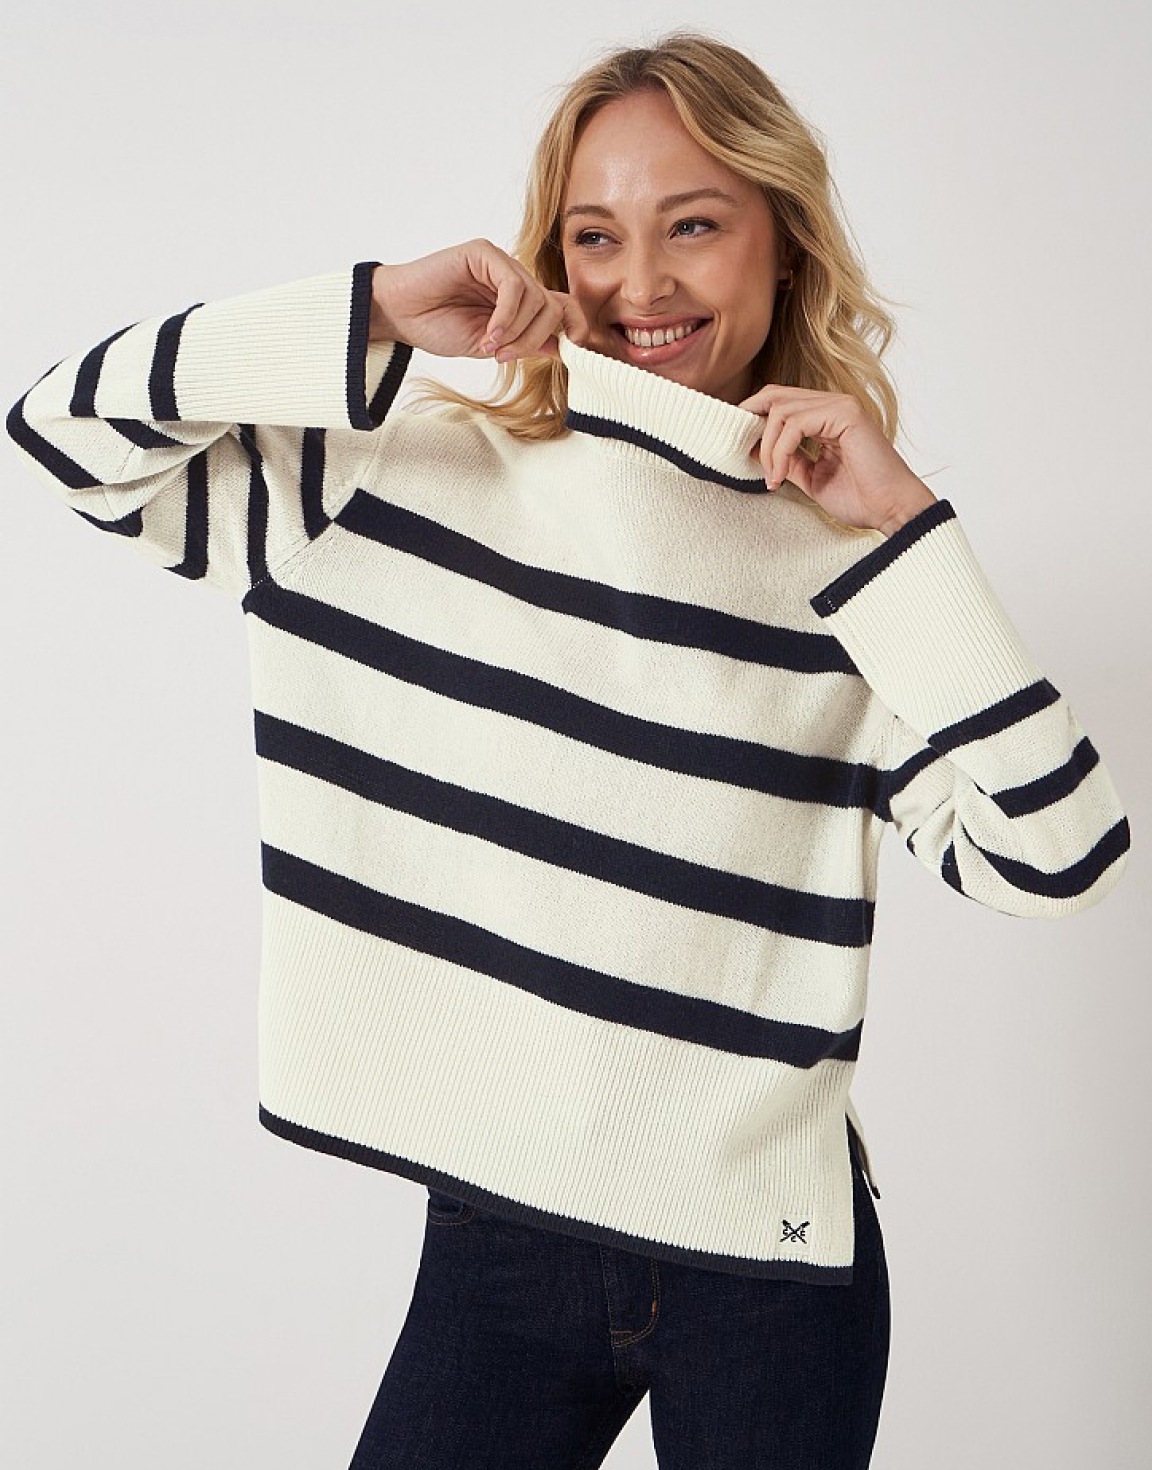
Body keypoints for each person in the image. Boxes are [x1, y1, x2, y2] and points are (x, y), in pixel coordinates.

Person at [5, 27, 1130, 1470]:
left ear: (786, 242)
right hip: (501, 1238)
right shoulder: (402, 487)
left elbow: (1059, 858)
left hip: (771, 1266)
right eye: (595, 235)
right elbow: (68, 433)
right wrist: (372, 312)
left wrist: (906, 526)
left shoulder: (855, 579)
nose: (638, 283)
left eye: (694, 225)